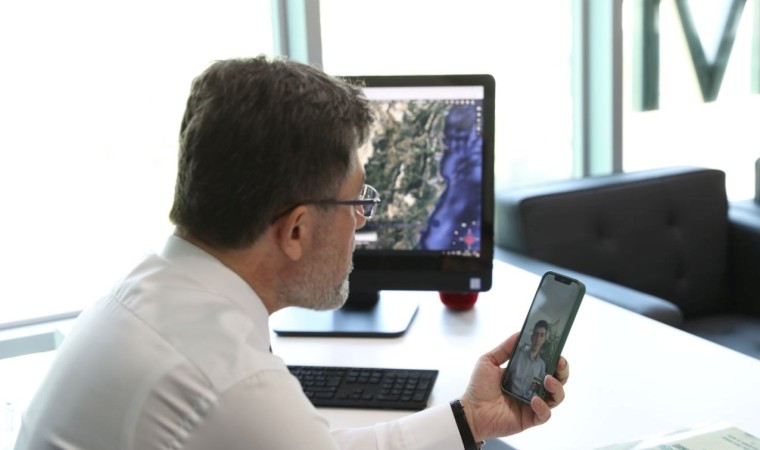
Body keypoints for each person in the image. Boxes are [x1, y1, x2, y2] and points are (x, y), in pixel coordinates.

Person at [14, 56, 569, 450]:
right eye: (356, 201)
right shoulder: (228, 381)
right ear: (297, 229)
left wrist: (470, 418)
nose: (361, 220)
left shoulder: (146, 294)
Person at [503, 320, 551, 399]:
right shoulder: (518, 355)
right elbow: (506, 377)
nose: (538, 339)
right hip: (509, 397)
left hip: (528, 403)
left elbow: (539, 388)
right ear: (532, 337)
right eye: (536, 334)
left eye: (542, 335)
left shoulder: (542, 365)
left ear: (544, 339)